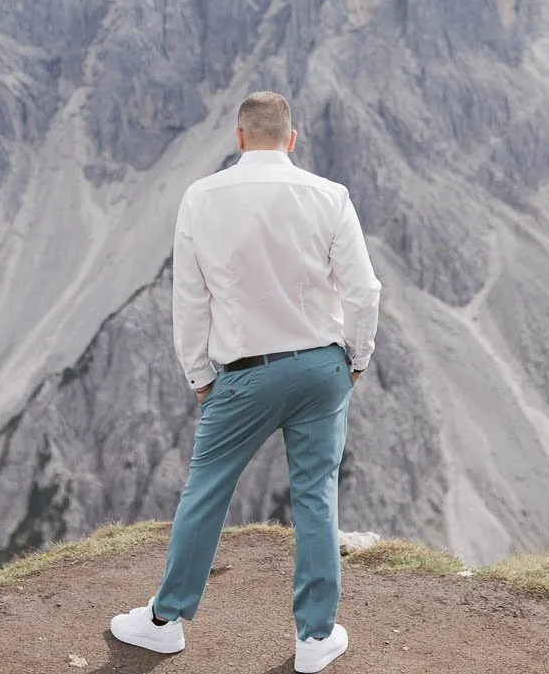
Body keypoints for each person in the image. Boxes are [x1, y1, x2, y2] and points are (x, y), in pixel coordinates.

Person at [109, 91, 383, 673]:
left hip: (242, 374)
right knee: (315, 496)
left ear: (238, 138)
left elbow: (189, 299)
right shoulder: (329, 196)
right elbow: (364, 290)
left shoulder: (200, 198)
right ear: (291, 138)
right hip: (320, 367)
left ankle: (164, 623)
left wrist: (200, 375)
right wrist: (355, 359)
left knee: (206, 490)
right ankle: (314, 639)